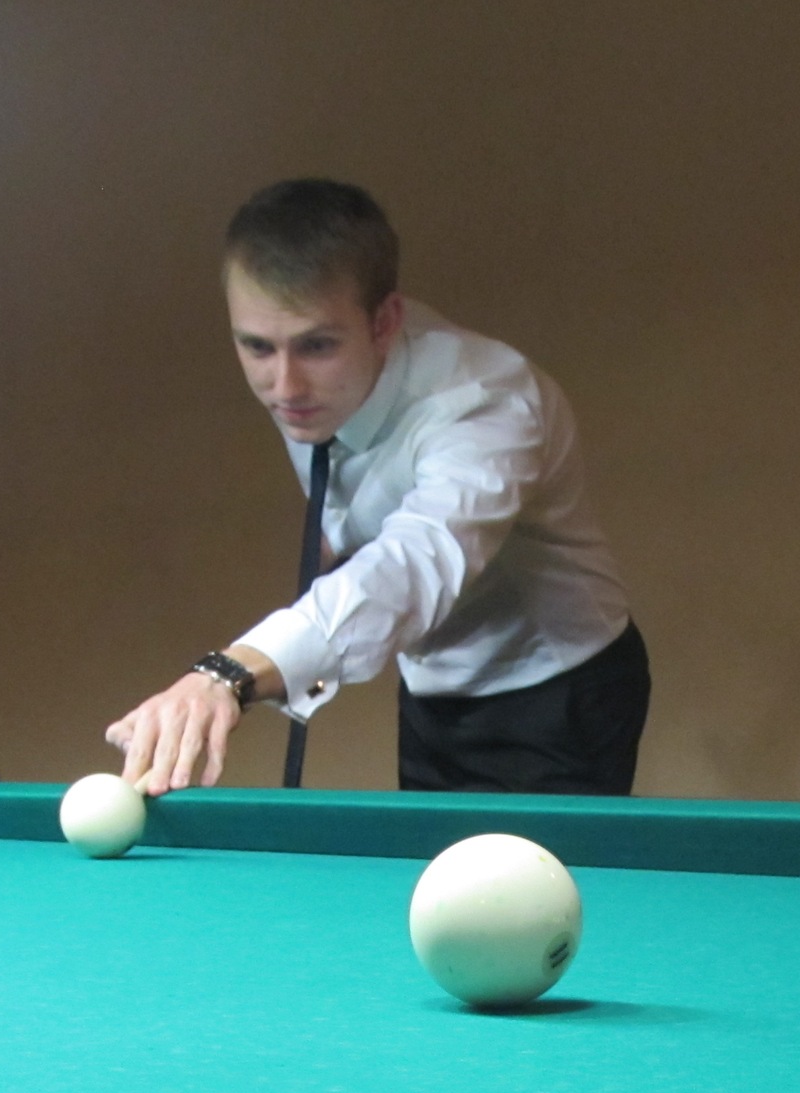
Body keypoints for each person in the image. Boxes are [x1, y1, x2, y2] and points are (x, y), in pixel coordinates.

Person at [106, 179, 650, 797]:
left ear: (385, 321)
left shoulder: (484, 403)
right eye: (257, 347)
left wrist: (229, 673)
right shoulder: (312, 387)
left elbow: (417, 560)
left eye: (316, 346)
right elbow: (362, 514)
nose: (285, 385)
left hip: (556, 693)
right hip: (429, 686)